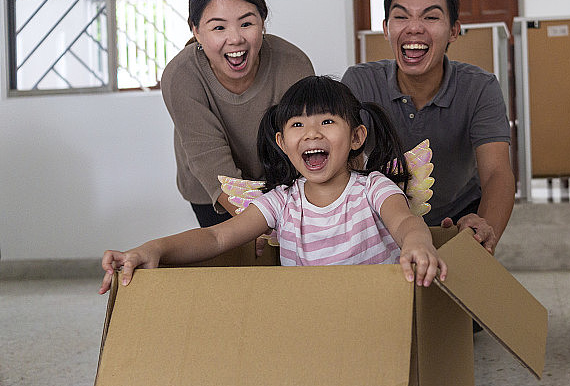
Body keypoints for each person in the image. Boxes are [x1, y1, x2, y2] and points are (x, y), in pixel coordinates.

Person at [99, 76, 446, 294]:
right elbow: (216, 236)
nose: (312, 133)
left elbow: (405, 221)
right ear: (282, 142)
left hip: (376, 314)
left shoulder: (373, 188)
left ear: (356, 136)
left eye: (327, 121)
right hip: (304, 327)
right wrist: (153, 249)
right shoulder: (281, 202)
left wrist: (418, 246)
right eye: (298, 124)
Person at [342, 0, 515, 255]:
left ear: (454, 31)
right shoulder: (359, 82)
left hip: (457, 220)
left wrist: (484, 227)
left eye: (431, 17)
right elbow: (342, 167)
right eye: (401, 16)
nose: (414, 28)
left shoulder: (480, 87)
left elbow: (497, 172)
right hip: (381, 222)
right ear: (386, 28)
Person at [161, 0, 314, 227]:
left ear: (262, 22)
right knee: (233, 261)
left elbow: (305, 141)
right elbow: (209, 157)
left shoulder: (293, 65)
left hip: (280, 183)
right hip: (213, 186)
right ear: (196, 30)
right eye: (218, 28)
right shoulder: (181, 76)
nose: (235, 39)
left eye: (246, 23)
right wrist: (249, 220)